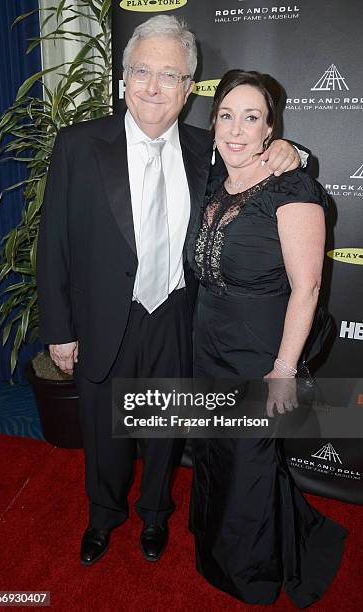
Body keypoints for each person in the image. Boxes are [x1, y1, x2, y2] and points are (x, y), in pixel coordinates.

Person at [37, 17, 301, 568]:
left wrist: (291, 152)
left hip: (176, 317)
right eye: (142, 72)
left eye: (169, 76)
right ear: (123, 79)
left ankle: (155, 515)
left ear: (188, 90)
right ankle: (103, 516)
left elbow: (263, 162)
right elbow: (53, 243)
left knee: (163, 431)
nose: (153, 87)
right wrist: (59, 331)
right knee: (104, 434)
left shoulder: (207, 148)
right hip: (104, 319)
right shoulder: (79, 146)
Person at [188, 69, 348, 607]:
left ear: (270, 128)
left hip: (259, 350)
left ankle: (252, 572)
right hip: (207, 340)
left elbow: (308, 288)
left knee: (251, 460)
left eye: (251, 117)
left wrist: (283, 369)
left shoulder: (292, 187)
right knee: (216, 453)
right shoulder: (213, 179)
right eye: (226, 115)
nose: (236, 130)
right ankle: (217, 550)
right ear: (212, 123)